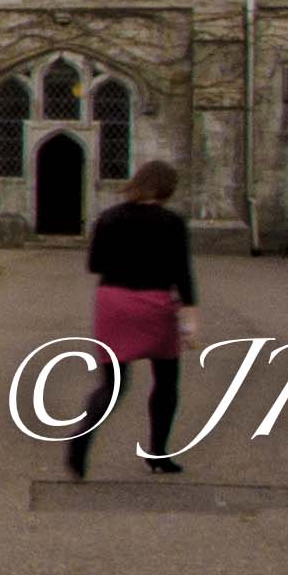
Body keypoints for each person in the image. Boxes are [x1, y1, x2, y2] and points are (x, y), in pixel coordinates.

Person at [71, 159, 199, 477]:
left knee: (112, 385)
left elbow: (94, 264)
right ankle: (158, 454)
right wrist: (190, 320)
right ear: (167, 189)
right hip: (156, 303)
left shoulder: (108, 218)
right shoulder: (172, 222)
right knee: (166, 381)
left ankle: (82, 436)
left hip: (114, 301)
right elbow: (182, 274)